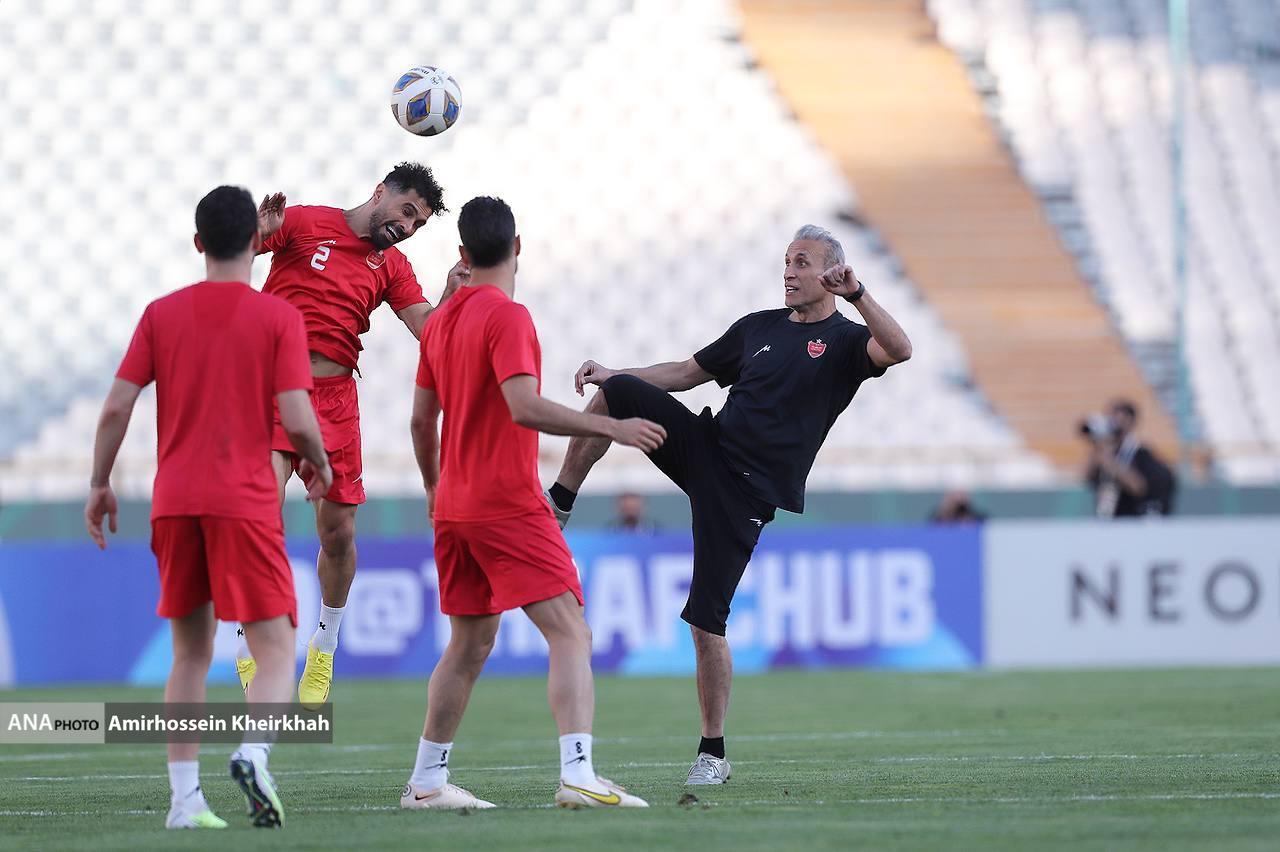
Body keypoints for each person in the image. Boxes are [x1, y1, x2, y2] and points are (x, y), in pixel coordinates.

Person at [545, 224, 912, 786]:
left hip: (747, 493)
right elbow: (686, 375)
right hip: (705, 449)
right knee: (616, 393)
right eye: (786, 260)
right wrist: (616, 371)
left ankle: (713, 752)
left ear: (831, 273)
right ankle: (560, 503)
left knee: (705, 618)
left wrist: (858, 295)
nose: (788, 270)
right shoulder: (758, 327)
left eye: (802, 261)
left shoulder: (844, 341)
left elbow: (900, 349)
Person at [403, 197, 664, 809]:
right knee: (571, 630)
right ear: (518, 246)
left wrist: (434, 490)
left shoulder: (440, 321)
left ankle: (427, 781)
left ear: (461, 255)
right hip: (506, 501)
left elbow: (421, 421)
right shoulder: (509, 318)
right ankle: (577, 774)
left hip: (456, 506)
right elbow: (522, 405)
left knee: (468, 644)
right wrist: (610, 428)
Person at [84, 186, 332, 830]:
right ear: (256, 241)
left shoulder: (161, 314)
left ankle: (184, 802)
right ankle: (253, 755)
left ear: (198, 244)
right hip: (244, 500)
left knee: (189, 654)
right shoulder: (276, 317)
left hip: (174, 500)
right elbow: (300, 417)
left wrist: (99, 483)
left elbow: (116, 406)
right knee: (277, 646)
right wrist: (317, 460)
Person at [236, 162, 467, 707]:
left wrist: (453, 297)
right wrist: (257, 230)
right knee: (258, 514)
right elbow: (230, 260)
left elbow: (430, 334)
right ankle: (250, 643)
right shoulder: (305, 221)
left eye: (419, 223)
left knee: (337, 533)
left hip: (336, 402)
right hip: (272, 392)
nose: (408, 226)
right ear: (380, 192)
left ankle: (325, 644)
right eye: (406, 211)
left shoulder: (392, 266)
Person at [1082, 399, 1176, 517]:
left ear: (1131, 422)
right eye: (1111, 419)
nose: (1114, 424)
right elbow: (1086, 476)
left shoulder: (1140, 453)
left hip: (1134, 519)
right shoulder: (1105, 451)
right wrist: (1098, 445)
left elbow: (1138, 487)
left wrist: (1110, 462)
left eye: (1120, 420)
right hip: (1109, 517)